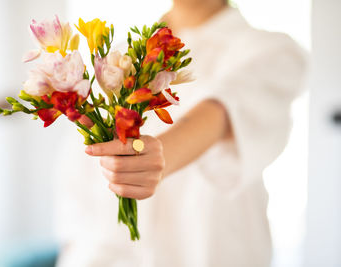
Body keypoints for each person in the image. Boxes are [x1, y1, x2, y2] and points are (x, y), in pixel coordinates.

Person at [54, 0, 307, 266]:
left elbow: (223, 109)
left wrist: (159, 156)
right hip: (105, 254)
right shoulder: (117, 57)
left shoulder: (272, 51)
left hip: (214, 252)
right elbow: (77, 172)